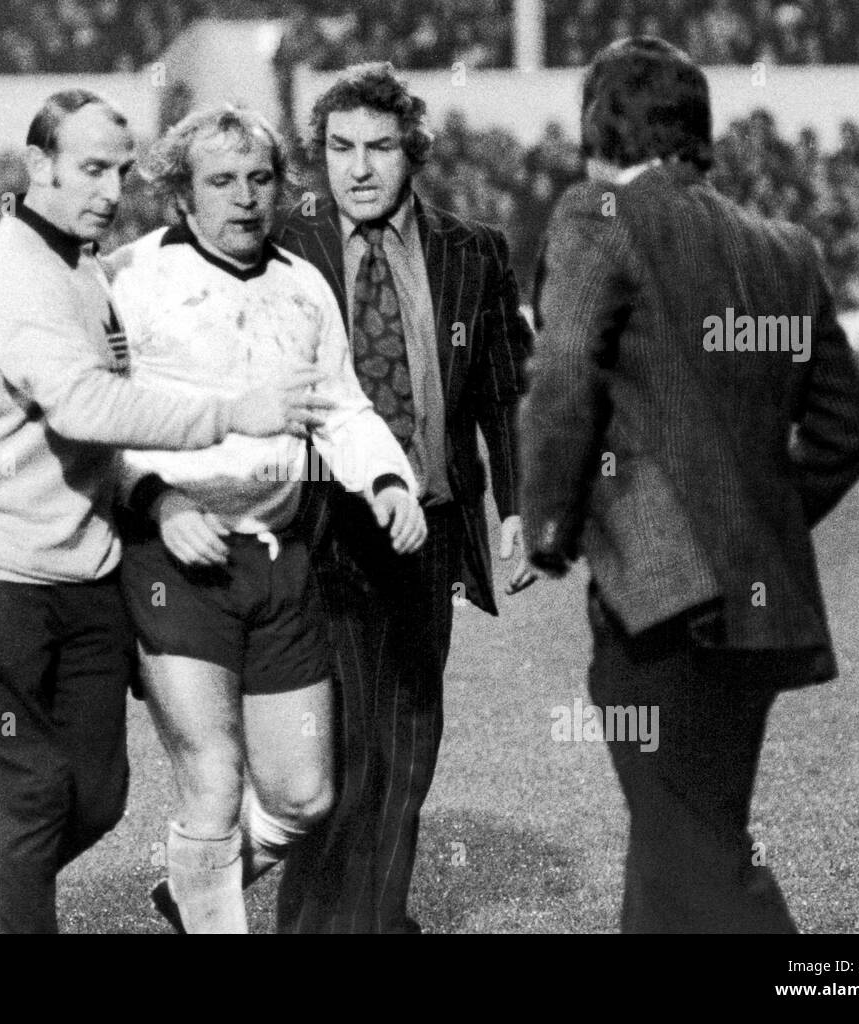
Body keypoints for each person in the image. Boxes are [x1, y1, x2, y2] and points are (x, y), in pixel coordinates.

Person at [0, 89, 332, 935]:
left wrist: (151, 492)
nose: (108, 188)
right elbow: (84, 409)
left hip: (81, 570)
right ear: (39, 167)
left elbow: (107, 441)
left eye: (119, 170)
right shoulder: (14, 273)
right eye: (90, 168)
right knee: (27, 801)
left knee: (96, 797)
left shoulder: (86, 267)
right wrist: (231, 414)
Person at [512, 37, 859, 932]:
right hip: (757, 601)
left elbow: (561, 380)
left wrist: (543, 524)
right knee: (682, 838)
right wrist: (760, 521)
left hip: (661, 601)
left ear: (598, 127)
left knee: (695, 854)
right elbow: (851, 427)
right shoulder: (784, 247)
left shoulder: (598, 214)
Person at [107, 105, 425, 934]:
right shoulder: (129, 281)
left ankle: (195, 894)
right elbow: (88, 422)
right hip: (172, 556)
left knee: (304, 796)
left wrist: (387, 479)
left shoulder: (300, 284)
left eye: (260, 179)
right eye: (221, 181)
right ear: (181, 193)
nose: (245, 198)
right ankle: (211, 908)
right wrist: (159, 500)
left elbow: (344, 410)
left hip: (277, 558)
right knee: (213, 777)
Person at [274, 63, 533, 934]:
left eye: (379, 147)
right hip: (319, 528)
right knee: (343, 751)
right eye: (340, 148)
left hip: (435, 524)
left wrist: (518, 508)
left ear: (410, 152)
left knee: (409, 746)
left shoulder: (475, 252)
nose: (358, 167)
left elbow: (505, 390)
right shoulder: (282, 244)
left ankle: (376, 920)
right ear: (321, 156)